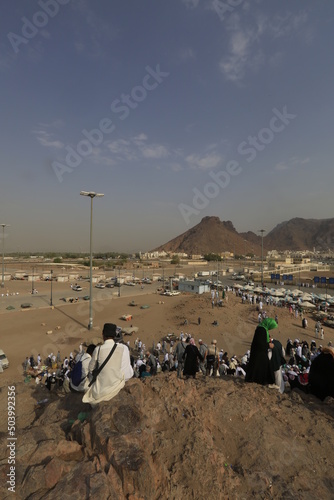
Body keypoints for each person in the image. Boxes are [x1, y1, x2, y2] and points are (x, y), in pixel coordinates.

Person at [83, 323, 134, 407]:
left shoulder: (98, 349)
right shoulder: (121, 348)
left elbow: (91, 369)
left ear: (103, 334)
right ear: (114, 335)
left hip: (101, 390)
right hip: (116, 386)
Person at [245, 319, 276, 386]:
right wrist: (268, 345)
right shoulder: (262, 330)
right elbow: (260, 343)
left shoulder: (262, 329)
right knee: (258, 367)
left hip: (260, 352)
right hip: (259, 353)